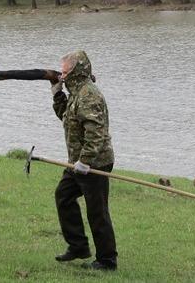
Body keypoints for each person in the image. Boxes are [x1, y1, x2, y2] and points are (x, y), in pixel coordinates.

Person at [50, 50, 118, 271]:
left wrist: (86, 161)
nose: (61, 76)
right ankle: (78, 246)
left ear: (77, 71)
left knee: (97, 211)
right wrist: (57, 94)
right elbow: (67, 119)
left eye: (64, 72)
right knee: (64, 196)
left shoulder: (89, 95)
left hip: (95, 163)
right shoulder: (76, 93)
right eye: (61, 72)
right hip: (77, 162)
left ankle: (107, 260)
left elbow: (96, 133)